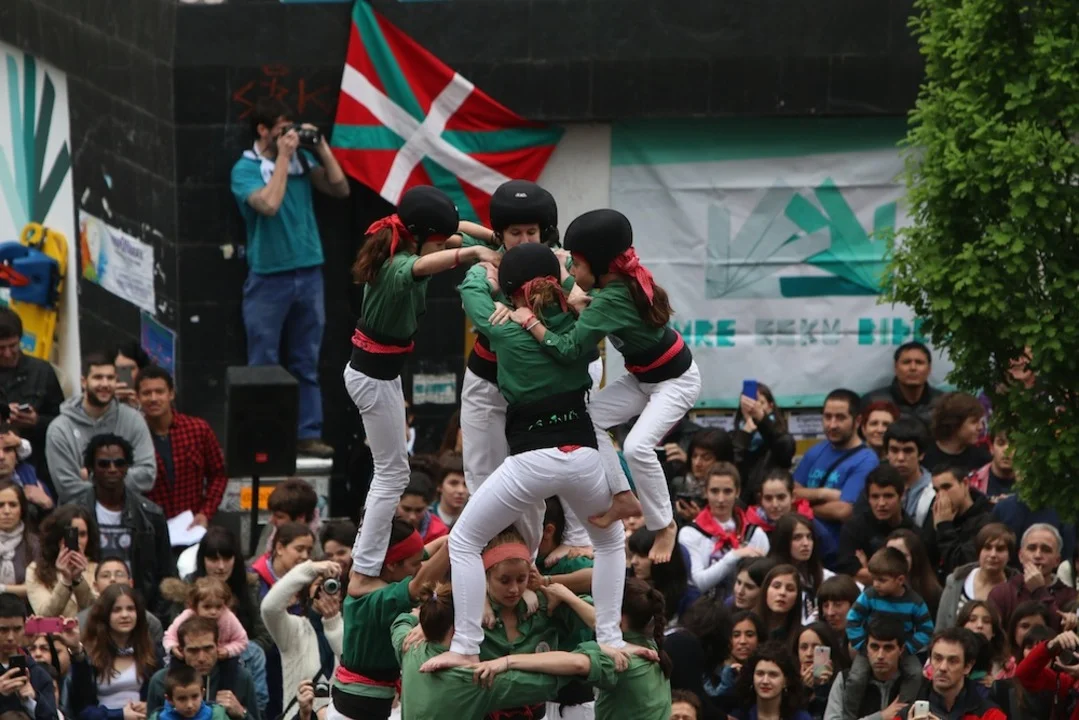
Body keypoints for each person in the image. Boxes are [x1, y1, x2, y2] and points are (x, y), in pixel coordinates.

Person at [421, 243, 629, 672]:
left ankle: (466, 645)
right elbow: (584, 296)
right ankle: (611, 639)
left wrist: (486, 269)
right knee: (611, 542)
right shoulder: (582, 325)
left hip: (532, 460)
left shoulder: (504, 328)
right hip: (583, 456)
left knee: (464, 541)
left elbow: (471, 291)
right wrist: (566, 275)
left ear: (512, 290)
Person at [513, 208, 701, 563]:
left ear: (600, 266)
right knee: (589, 419)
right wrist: (578, 296)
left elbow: (569, 350)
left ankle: (665, 525)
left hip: (676, 382)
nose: (572, 272)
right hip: (643, 378)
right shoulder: (616, 286)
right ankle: (623, 496)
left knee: (637, 447)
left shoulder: (611, 299)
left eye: (577, 264)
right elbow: (595, 304)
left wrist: (530, 322)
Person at [347, 185, 498, 594]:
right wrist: (475, 254)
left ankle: (365, 559)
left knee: (392, 472)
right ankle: (363, 570)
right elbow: (430, 263)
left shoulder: (406, 238)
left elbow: (456, 235)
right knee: (392, 474)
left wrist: (492, 237)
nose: (445, 244)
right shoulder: (398, 265)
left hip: (382, 375)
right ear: (420, 236)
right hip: (372, 378)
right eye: (438, 239)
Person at [455, 181, 594, 555]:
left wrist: (529, 308)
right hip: (488, 380)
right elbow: (474, 300)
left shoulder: (563, 263)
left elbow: (589, 304)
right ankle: (495, 558)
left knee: (542, 475)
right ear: (500, 234)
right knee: (483, 477)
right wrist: (499, 301)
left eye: (531, 231)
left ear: (543, 231)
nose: (524, 239)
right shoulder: (485, 267)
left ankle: (542, 557)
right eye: (514, 232)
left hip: (541, 390)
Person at [229, 97, 350, 459]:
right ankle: (263, 435)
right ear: (263, 130)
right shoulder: (245, 169)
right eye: (281, 130)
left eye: (291, 130)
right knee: (263, 361)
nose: (289, 137)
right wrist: (282, 157)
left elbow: (340, 188)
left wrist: (321, 147)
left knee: (305, 360)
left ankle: (307, 433)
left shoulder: (302, 161)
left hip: (309, 272)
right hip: (268, 278)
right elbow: (268, 205)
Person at [390, 582, 620, 720]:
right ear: (460, 627)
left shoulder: (410, 648)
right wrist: (595, 652)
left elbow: (400, 623)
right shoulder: (477, 679)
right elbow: (558, 677)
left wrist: (422, 618)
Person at [69, 434, 176, 614]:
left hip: (139, 611)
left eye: (119, 463)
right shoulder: (73, 514)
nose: (112, 469)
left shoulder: (151, 515)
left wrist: (153, 615)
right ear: (91, 468)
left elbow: (166, 573)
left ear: (127, 467)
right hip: (88, 609)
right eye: (104, 464)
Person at [46, 353, 156, 503]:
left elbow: (147, 476)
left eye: (110, 378)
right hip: (80, 514)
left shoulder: (133, 420)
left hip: (128, 513)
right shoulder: (60, 429)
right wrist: (117, 479)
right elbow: (67, 488)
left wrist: (90, 476)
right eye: (98, 377)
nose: (105, 384)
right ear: (84, 382)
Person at [844, 548, 933, 717]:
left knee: (915, 674)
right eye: (874, 579)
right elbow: (852, 620)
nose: (876, 584)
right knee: (856, 677)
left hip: (901, 649)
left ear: (900, 580)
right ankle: (848, 716)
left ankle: (901, 713)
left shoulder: (914, 602)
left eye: (882, 580)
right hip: (871, 648)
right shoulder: (869, 596)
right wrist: (862, 645)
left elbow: (926, 628)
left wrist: (908, 648)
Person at [136, 366, 227, 529]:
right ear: (138, 397)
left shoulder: (198, 429)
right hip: (149, 527)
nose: (153, 398)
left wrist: (206, 512)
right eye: (147, 393)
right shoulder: (133, 436)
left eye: (159, 392)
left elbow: (219, 474)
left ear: (171, 394)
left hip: (191, 526)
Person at [794, 389, 879, 547]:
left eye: (840, 418)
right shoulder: (816, 450)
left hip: (838, 548)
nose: (832, 425)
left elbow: (844, 511)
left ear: (857, 421)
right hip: (806, 546)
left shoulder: (867, 460)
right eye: (827, 417)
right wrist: (824, 493)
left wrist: (803, 508)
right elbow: (792, 492)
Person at [261, 559, 342, 720]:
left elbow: (351, 666)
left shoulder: (348, 631)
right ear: (308, 591)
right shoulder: (294, 629)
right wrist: (310, 569)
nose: (326, 591)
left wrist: (333, 623)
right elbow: (269, 608)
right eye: (319, 584)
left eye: (332, 585)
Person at [67, 584, 162, 719]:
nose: (125, 615)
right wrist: (120, 715)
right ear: (105, 614)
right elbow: (81, 710)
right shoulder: (89, 654)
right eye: (116, 610)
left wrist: (150, 706)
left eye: (130, 609)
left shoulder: (151, 651)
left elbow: (166, 698)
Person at [678, 462, 770, 595]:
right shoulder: (690, 533)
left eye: (727, 491)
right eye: (714, 491)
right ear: (705, 492)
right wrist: (734, 556)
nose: (721, 499)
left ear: (737, 492)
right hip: (705, 606)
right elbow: (699, 584)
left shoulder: (755, 534)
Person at [145, 616, 260, 720]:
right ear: (181, 651)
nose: (201, 658)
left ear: (218, 646)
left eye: (208, 648)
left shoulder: (240, 677)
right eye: (193, 651)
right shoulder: (161, 681)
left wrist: (242, 712)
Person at [0, 307, 64, 477]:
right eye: (1, 348)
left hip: (35, 465)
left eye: (12, 346)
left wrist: (37, 421)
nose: (7, 354)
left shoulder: (42, 371)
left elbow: (62, 422)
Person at [899, 628, 1006, 720]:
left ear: (967, 666)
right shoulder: (906, 715)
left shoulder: (990, 715)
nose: (943, 667)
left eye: (953, 661)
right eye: (938, 658)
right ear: (930, 660)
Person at [987, 523, 1076, 630]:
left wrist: (1040, 591)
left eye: (1046, 550)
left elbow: (1055, 629)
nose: (1037, 555)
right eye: (1032, 548)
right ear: (1021, 556)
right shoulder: (1002, 593)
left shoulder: (1070, 597)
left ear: (1057, 560)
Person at [835, 466, 916, 584]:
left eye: (888, 496)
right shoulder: (853, 529)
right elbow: (850, 574)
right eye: (875, 497)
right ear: (868, 498)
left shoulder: (914, 532)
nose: (881, 503)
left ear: (901, 496)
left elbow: (916, 575)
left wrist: (869, 570)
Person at [823, 616, 907, 720]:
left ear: (901, 650)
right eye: (874, 647)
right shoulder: (845, 680)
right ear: (866, 648)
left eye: (888, 648)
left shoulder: (914, 684)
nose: (880, 655)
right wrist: (881, 717)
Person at [936, 523, 1014, 630]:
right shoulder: (955, 581)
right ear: (978, 551)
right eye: (987, 548)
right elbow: (941, 628)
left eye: (1000, 549)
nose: (993, 554)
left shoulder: (1016, 590)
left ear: (1009, 556)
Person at [921, 467, 993, 581]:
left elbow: (963, 566)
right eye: (936, 490)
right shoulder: (938, 510)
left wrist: (944, 527)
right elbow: (926, 557)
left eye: (946, 487)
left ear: (965, 483)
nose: (941, 496)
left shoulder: (986, 519)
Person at [77, 557, 165, 651]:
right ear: (95, 586)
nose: (113, 579)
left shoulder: (150, 622)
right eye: (105, 576)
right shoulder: (81, 622)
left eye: (119, 575)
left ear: (131, 583)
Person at [25, 505, 98, 617]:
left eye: (82, 534)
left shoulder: (98, 569)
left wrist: (78, 580)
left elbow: (96, 612)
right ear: (57, 536)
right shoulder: (35, 570)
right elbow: (44, 615)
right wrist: (65, 581)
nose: (77, 541)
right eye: (71, 534)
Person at [731, 382, 796, 504]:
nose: (753, 407)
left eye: (760, 403)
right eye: (748, 403)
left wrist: (762, 419)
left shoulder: (780, 436)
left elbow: (785, 449)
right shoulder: (736, 437)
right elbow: (731, 467)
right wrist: (745, 434)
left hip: (772, 501)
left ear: (770, 406)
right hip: (742, 502)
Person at [0, 592, 57, 719]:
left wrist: (32, 699)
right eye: (3, 630)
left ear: (25, 627)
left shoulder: (39, 675)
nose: (10, 637)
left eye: (17, 629)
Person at [863, 342, 942, 430]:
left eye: (919, 362)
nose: (913, 368)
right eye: (906, 362)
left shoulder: (942, 402)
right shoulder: (873, 400)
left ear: (929, 368)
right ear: (895, 367)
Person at [163, 578, 247, 661]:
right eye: (207, 607)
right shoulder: (187, 616)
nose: (213, 612)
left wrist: (228, 650)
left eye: (219, 607)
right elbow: (170, 636)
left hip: (221, 659)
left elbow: (242, 640)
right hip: (189, 658)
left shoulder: (228, 618)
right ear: (195, 605)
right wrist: (173, 647)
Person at [771, 514, 833, 624]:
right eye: (797, 537)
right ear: (784, 541)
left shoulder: (821, 574)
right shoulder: (772, 576)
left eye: (809, 537)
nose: (806, 543)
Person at [628, 528, 696, 624]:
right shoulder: (627, 591)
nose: (634, 561)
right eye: (633, 554)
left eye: (642, 555)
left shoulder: (688, 599)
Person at [731, 641, 813, 720]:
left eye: (773, 675)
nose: (765, 681)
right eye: (760, 674)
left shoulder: (801, 717)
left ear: (786, 681)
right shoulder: (737, 716)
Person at [250, 478, 320, 563]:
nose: (272, 520)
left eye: (279, 517)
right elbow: (257, 561)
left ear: (300, 518)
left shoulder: (321, 541)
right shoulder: (271, 529)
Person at [880, 419, 935, 527]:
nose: (900, 458)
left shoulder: (933, 490)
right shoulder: (875, 485)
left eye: (908, 450)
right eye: (894, 450)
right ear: (887, 453)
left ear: (921, 454)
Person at [921, 393, 991, 476]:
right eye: (974, 422)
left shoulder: (982, 459)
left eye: (981, 421)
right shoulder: (923, 455)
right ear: (954, 423)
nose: (980, 427)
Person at [884, 530, 944, 620]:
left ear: (915, 557)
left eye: (902, 555)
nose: (895, 560)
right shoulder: (875, 591)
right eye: (890, 555)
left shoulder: (933, 595)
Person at [249, 522, 314, 600]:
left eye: (309, 551)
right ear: (279, 548)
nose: (305, 556)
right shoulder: (252, 580)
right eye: (299, 549)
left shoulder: (310, 582)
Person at [0, 480, 37, 600]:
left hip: (25, 609)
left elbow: (38, 587)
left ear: (22, 509)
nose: (7, 511)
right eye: (1, 505)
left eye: (13, 505)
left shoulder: (34, 545)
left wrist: (3, 589)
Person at [149, 664, 226, 720]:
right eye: (182, 699)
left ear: (202, 693)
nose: (189, 705)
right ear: (170, 699)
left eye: (195, 696)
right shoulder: (158, 718)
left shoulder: (217, 716)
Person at [394, 471, 448, 543]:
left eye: (419, 510)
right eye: (406, 509)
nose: (412, 517)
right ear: (396, 503)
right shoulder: (382, 527)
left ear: (428, 506)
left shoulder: (439, 533)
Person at [757, 565, 803, 643]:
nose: (782, 592)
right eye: (776, 586)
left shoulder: (802, 636)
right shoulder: (746, 626)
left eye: (790, 589)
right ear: (765, 590)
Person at [968, 430, 1015, 501]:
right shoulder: (972, 483)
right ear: (991, 448)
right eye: (1001, 443)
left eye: (1013, 444)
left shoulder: (1030, 484)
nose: (1006, 450)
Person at [429, 453, 467, 529]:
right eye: (453, 483)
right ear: (439, 486)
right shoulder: (425, 517)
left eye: (465, 484)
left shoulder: (476, 516)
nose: (461, 490)